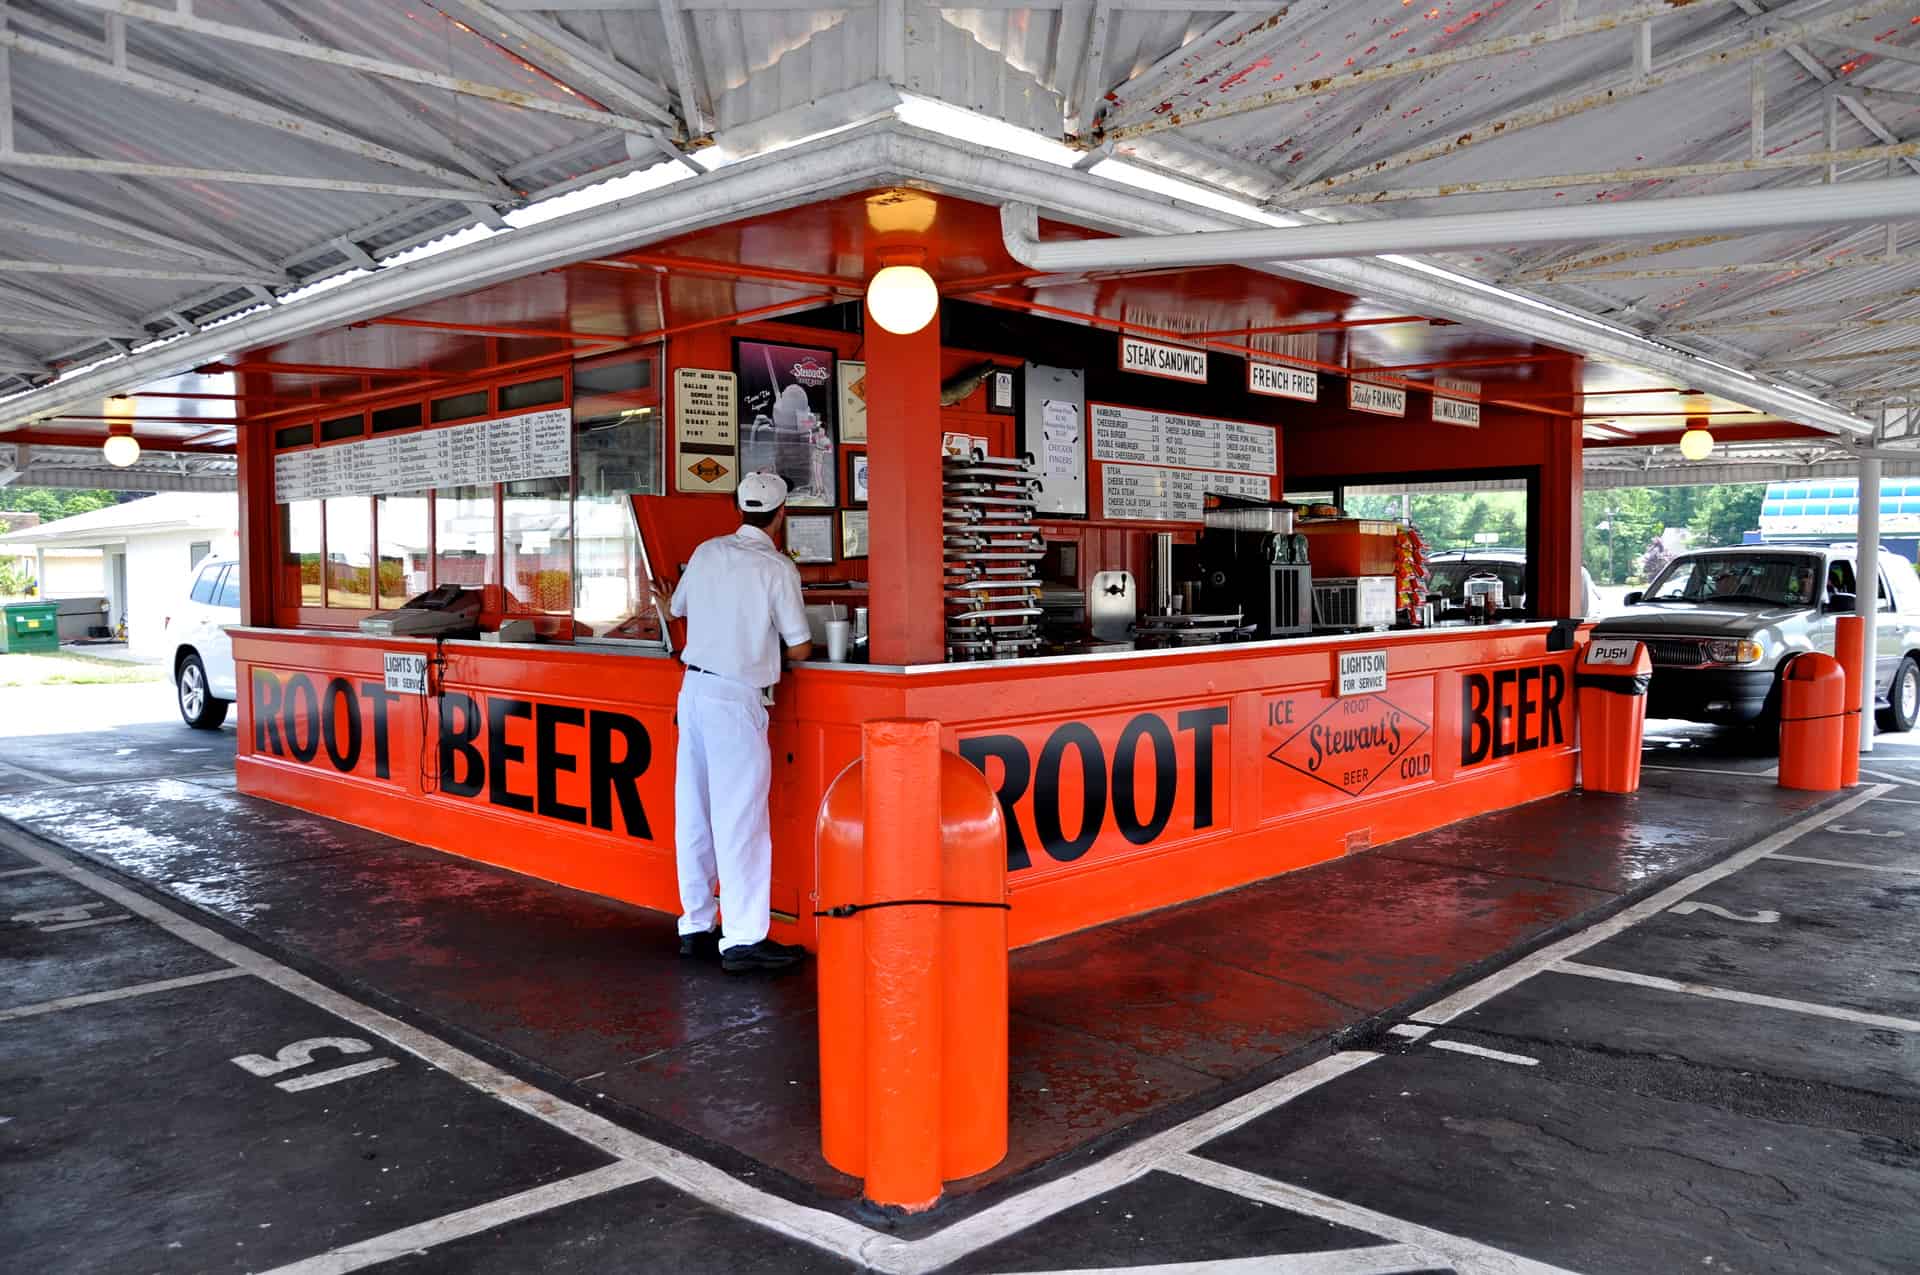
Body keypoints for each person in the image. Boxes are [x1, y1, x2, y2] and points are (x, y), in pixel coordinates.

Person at [648, 472, 813, 973]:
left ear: (738, 508)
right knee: (740, 819)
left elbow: (674, 605)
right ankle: (742, 938)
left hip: (694, 691)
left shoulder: (706, 552)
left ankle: (696, 926)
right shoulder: (777, 567)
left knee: (693, 812)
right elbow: (801, 646)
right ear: (782, 514)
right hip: (737, 699)